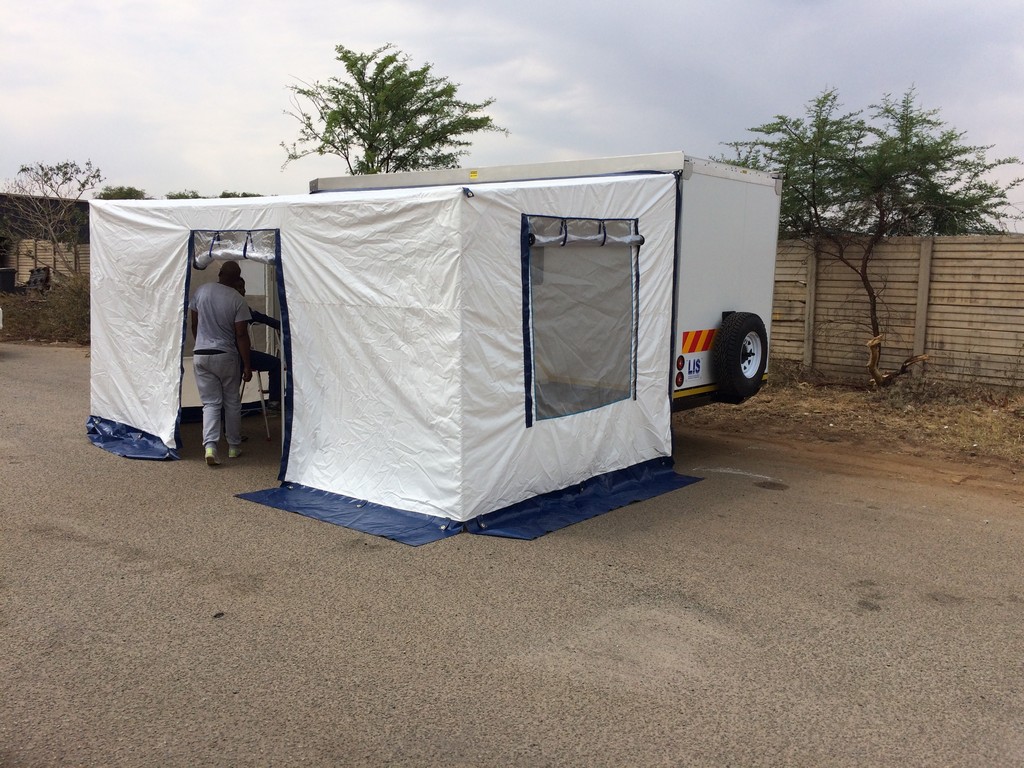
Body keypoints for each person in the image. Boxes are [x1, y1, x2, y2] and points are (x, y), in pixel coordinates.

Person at [189, 261, 252, 465]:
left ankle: (210, 447)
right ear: (237, 278)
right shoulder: (238, 300)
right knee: (232, 402)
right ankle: (234, 446)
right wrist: (247, 365)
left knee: (210, 403)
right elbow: (241, 335)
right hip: (226, 356)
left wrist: (201, 342)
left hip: (201, 354)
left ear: (220, 272)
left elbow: (194, 323)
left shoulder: (202, 291)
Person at [233, 276, 282, 409]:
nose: (243, 291)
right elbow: (259, 318)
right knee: (275, 363)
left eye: (243, 287)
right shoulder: (239, 305)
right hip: (238, 354)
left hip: (222, 353)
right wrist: (282, 325)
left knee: (228, 395)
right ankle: (274, 401)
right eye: (240, 287)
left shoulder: (214, 302)